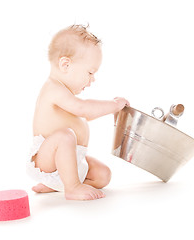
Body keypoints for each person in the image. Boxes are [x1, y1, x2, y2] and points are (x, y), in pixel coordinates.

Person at [27, 25, 130, 200]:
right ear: (65, 64)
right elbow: (84, 109)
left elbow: (85, 113)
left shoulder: (64, 93)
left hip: (71, 160)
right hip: (48, 161)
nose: (93, 79)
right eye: (90, 72)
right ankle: (72, 187)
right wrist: (114, 105)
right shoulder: (53, 88)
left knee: (103, 175)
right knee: (65, 136)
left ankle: (59, 184)